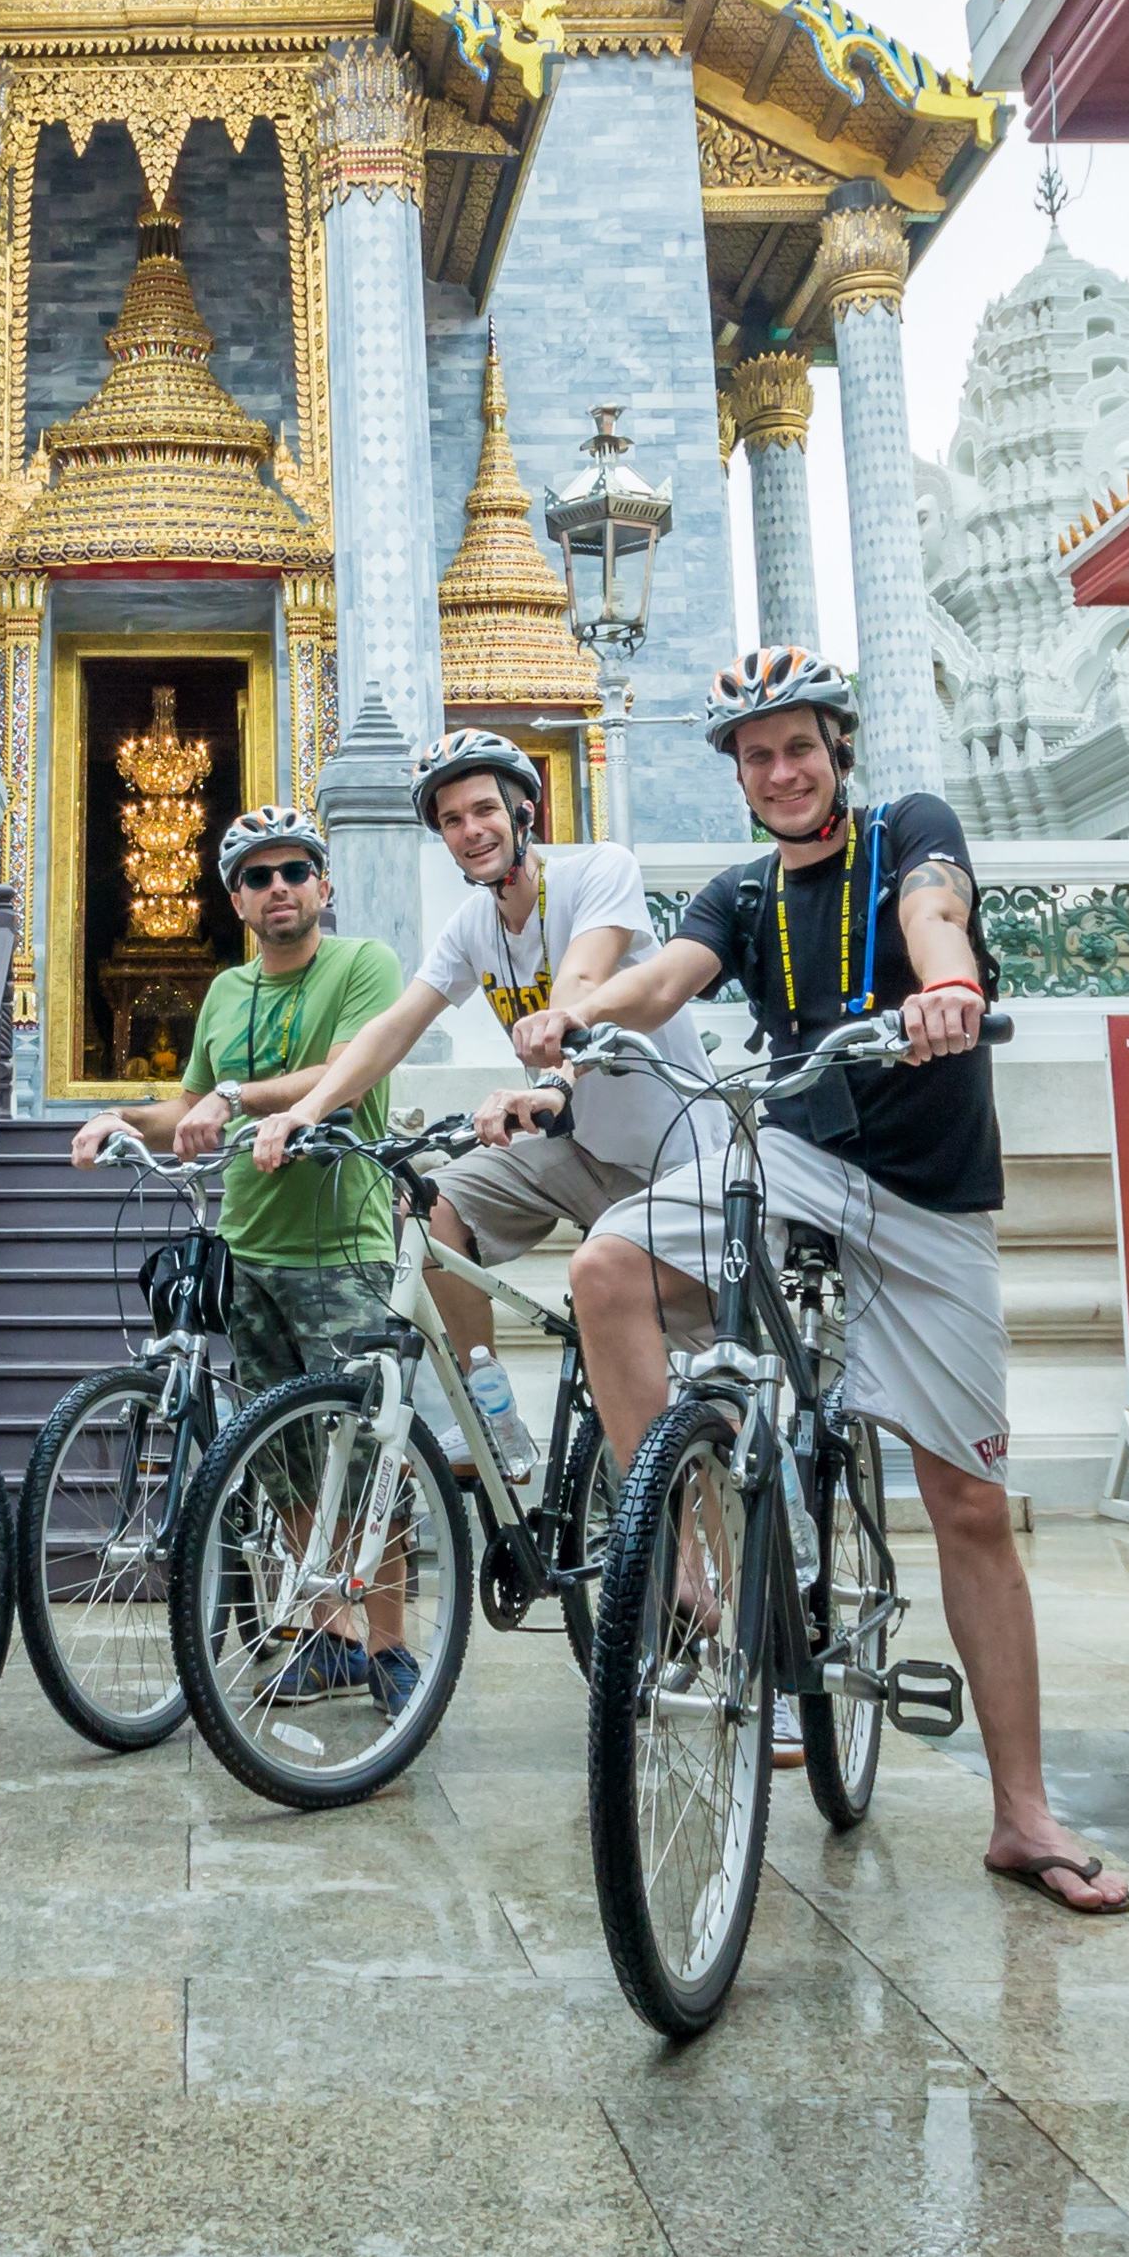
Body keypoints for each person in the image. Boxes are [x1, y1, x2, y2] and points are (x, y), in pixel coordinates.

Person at [549, 648, 1129, 1914]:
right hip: (800, 1158)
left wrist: (952, 988)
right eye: (757, 756)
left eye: (798, 746)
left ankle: (1022, 1814)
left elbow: (937, 905)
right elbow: (668, 981)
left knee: (968, 1503)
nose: (781, 770)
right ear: (739, 778)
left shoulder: (908, 832)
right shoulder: (742, 896)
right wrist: (583, 1013)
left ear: (837, 750)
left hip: (931, 1199)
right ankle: (685, 1548)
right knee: (607, 1264)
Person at [249, 731, 716, 1478]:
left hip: (674, 1158)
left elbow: (582, 983)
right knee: (426, 1206)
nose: (470, 831)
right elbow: (395, 1025)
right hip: (578, 1151)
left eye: (483, 810)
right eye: (451, 821)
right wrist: (308, 1108)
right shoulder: (472, 928)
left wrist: (552, 1076)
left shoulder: (599, 870)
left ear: (524, 810)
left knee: (695, 1394)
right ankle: (488, 1407)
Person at [63, 806, 413, 1706]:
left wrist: (230, 1092)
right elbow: (184, 1106)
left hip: (344, 1240)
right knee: (287, 1454)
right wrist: (117, 1116)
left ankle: (389, 1641)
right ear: (236, 900)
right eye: (257, 877)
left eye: (294, 870)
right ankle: (325, 1631)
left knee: (367, 1446)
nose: (278, 888)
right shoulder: (224, 992)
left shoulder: (361, 965)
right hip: (249, 1245)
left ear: (322, 886)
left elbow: (345, 1070)